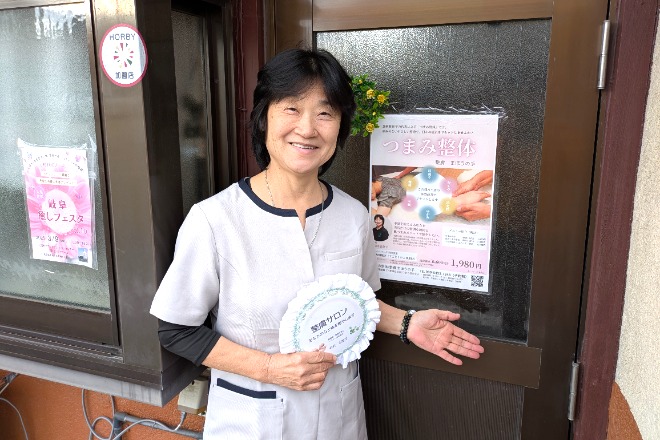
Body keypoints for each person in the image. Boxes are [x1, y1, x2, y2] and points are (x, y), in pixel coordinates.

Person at [150, 48, 484, 439]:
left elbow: (357, 303)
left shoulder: (353, 215)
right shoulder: (215, 219)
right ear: (263, 119)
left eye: (325, 113)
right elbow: (176, 329)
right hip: (252, 419)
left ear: (339, 128)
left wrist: (407, 323)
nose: (308, 129)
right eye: (291, 109)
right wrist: (269, 369)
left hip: (337, 417)